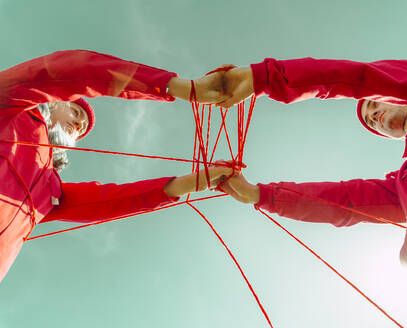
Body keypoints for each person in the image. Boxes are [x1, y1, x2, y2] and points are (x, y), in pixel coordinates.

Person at [216, 57, 407, 328]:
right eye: (371, 122)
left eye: (373, 103)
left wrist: (265, 78)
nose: (373, 116)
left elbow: (366, 76)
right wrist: (258, 195)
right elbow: (344, 201)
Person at [0, 50, 233, 283]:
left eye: (82, 129)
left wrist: (193, 183)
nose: (80, 124)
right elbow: (65, 72)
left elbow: (110, 201)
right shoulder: (10, 106)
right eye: (76, 111)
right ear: (53, 102)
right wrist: (178, 87)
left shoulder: (51, 190)